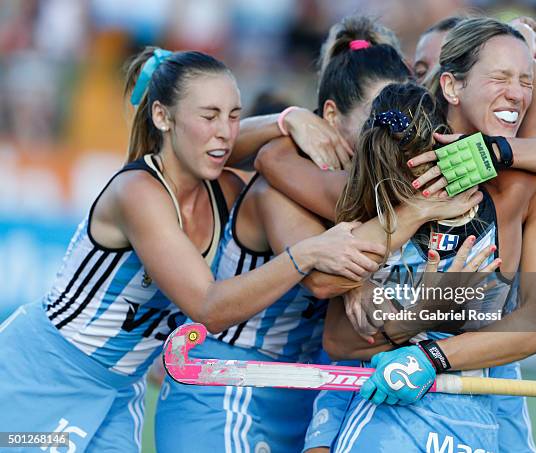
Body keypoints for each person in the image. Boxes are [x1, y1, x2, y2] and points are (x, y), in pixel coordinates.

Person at [0, 47, 384, 453]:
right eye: (209, 116)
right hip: (43, 372)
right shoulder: (138, 193)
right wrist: (307, 253)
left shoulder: (225, 190)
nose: (224, 131)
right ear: (162, 117)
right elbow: (207, 307)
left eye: (234, 116)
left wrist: (287, 120)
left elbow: (247, 157)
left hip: (118, 390)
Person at [155, 16, 478, 453]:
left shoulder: (373, 193)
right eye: (376, 118)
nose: (390, 135)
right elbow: (325, 279)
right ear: (330, 116)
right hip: (229, 385)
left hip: (302, 391)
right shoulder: (285, 182)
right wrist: (419, 211)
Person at [314, 18, 536, 452]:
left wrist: (429, 353)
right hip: (388, 429)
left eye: (525, 79)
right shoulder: (395, 174)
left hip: (479, 428)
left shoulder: (535, 185)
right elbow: (338, 337)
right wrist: (422, 307)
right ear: (452, 88)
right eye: (499, 76)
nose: (516, 93)